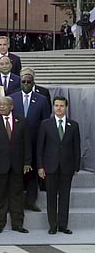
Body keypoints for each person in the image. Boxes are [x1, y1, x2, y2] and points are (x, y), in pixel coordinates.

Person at [0, 97, 32, 234]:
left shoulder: (21, 121)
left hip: (17, 165)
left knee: (17, 195)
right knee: (0, 195)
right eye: (0, 105)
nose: (2, 107)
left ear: (11, 106)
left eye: (5, 105)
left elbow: (27, 144)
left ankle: (18, 224)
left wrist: (27, 162)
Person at [37, 96, 80, 235]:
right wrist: (40, 166)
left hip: (67, 167)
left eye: (61, 106)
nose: (59, 108)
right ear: (53, 107)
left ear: (66, 107)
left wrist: (76, 166)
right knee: (51, 197)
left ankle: (63, 225)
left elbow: (77, 147)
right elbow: (40, 147)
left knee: (65, 196)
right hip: (50, 166)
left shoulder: (73, 125)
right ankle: (52, 225)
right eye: (56, 105)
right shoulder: (45, 124)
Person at [9, 73, 50, 212]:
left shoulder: (42, 100)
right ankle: (17, 201)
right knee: (17, 173)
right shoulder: (12, 98)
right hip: (16, 142)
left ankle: (31, 202)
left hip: (35, 141)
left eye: (29, 81)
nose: (26, 83)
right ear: (20, 82)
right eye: (23, 81)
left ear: (33, 83)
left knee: (33, 173)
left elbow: (45, 122)